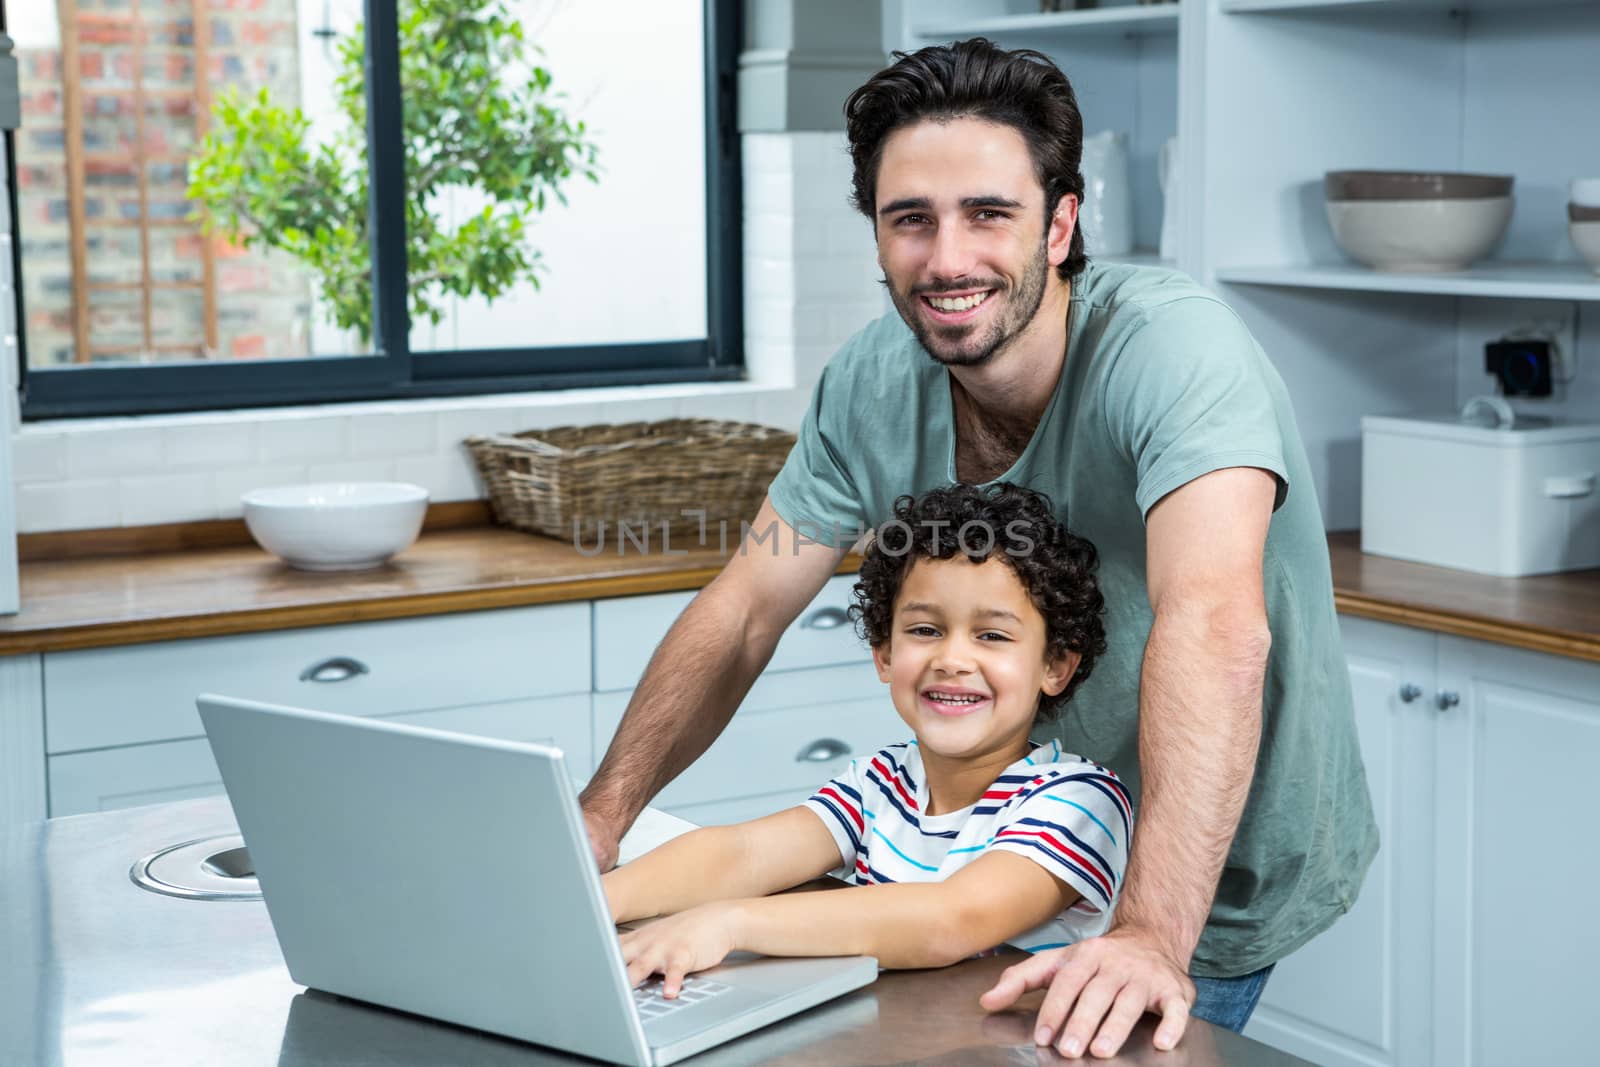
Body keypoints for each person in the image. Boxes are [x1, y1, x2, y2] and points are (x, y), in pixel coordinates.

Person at [580, 37, 1378, 1059]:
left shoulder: (1174, 353)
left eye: (988, 213)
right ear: (875, 235)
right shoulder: (870, 382)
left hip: (1192, 881)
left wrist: (1147, 932)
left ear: (1060, 222)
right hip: (992, 864)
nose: (947, 257)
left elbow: (1215, 623)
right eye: (909, 218)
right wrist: (598, 829)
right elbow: (743, 609)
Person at [603, 484, 1132, 993]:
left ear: (1056, 666)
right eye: (925, 630)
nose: (951, 660)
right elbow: (740, 854)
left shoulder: (1078, 799)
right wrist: (593, 902)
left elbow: (953, 919)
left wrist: (728, 924)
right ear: (884, 654)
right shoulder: (880, 782)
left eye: (992, 635)